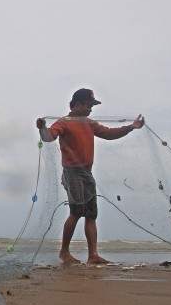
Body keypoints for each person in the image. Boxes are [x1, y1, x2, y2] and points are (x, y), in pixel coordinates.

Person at [36, 88, 144, 265]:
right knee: (77, 211)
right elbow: (49, 137)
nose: (91, 109)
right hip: (72, 172)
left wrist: (131, 127)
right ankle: (64, 252)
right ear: (77, 104)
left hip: (87, 173)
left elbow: (109, 133)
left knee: (91, 214)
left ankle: (93, 255)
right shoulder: (63, 122)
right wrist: (42, 128)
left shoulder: (89, 123)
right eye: (88, 105)